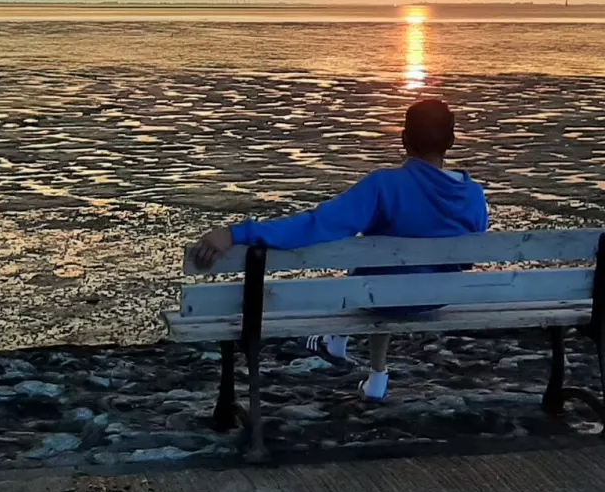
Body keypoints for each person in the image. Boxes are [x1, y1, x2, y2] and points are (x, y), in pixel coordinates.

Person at [192, 98, 488, 401]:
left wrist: (237, 233)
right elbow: (468, 261)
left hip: (383, 298)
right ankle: (360, 363)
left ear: (403, 139)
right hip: (437, 299)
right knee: (392, 268)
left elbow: (316, 225)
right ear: (451, 141)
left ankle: (343, 346)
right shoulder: (473, 195)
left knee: (380, 272)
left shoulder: (384, 186)